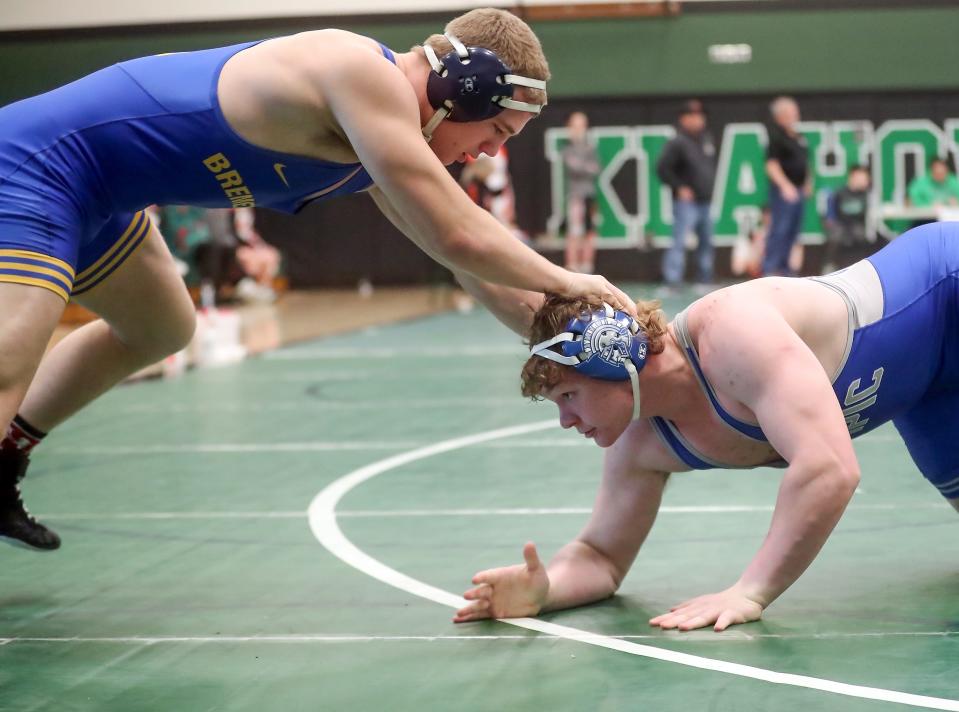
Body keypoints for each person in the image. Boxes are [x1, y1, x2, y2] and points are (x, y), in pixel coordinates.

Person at [0, 8, 636, 550]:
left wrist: (554, 339)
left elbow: (461, 260)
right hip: (38, 164)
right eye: (497, 131)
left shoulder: (378, 144)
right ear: (462, 90)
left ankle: (7, 459)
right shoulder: (360, 72)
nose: (491, 153)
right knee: (10, 356)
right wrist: (570, 279)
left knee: (160, 325)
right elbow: (460, 234)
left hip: (104, 198)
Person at [451, 220, 959, 632]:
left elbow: (830, 469)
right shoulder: (641, 440)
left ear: (614, 361)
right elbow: (601, 557)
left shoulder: (729, 335)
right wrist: (547, 591)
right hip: (924, 385)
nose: (565, 421)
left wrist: (750, 591)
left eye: (567, 396)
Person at [656, 99, 717, 294]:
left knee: (706, 241)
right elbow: (662, 168)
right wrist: (679, 187)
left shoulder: (706, 139)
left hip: (705, 200)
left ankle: (705, 280)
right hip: (686, 203)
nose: (697, 119)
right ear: (683, 119)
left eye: (700, 115)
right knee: (680, 241)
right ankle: (672, 281)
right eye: (692, 116)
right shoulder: (677, 142)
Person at [762, 96, 810, 276]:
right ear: (780, 116)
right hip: (784, 192)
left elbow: (805, 162)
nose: (795, 115)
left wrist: (806, 183)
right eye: (790, 112)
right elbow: (771, 165)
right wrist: (785, 186)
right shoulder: (776, 137)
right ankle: (770, 269)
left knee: (793, 232)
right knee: (779, 230)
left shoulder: (798, 137)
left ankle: (785, 270)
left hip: (798, 191)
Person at [561, 111, 601, 274]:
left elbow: (595, 168)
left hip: (589, 196)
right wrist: (585, 167)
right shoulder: (568, 149)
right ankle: (572, 268)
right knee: (574, 233)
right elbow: (575, 167)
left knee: (590, 232)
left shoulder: (590, 148)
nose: (578, 129)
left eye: (582, 125)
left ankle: (587, 267)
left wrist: (583, 166)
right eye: (575, 125)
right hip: (575, 197)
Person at [821, 164, 871, 274]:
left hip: (855, 226)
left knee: (860, 234)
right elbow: (830, 215)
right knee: (836, 236)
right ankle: (830, 265)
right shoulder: (839, 193)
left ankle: (860, 268)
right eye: (862, 178)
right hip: (840, 225)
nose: (865, 182)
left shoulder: (864, 195)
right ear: (852, 177)